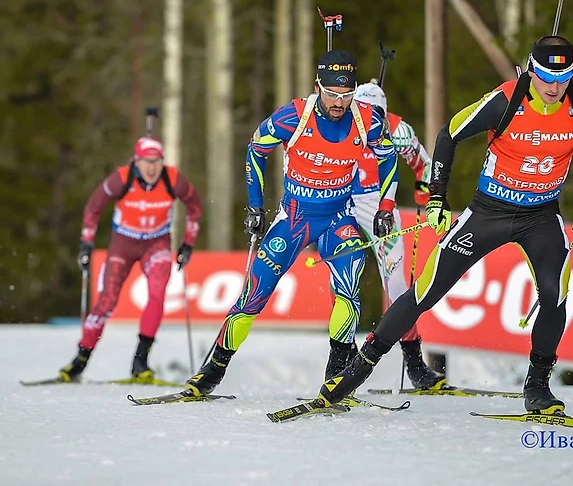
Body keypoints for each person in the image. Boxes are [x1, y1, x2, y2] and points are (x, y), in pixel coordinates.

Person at [316, 35, 573, 414]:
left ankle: (537, 386)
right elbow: (449, 133)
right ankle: (356, 371)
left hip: (541, 215)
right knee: (425, 291)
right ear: (531, 70)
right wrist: (438, 197)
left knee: (555, 294)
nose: (554, 88)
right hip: (489, 211)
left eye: (563, 78)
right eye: (546, 77)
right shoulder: (505, 101)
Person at [184, 50, 398, 396]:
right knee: (254, 293)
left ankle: (338, 375)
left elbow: (389, 160)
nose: (339, 103)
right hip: (294, 218)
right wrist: (255, 206)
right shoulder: (293, 116)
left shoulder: (367, 120)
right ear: (318, 87)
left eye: (346, 95)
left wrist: (385, 207)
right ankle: (214, 369)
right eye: (332, 94)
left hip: (338, 217)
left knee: (351, 281)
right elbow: (256, 148)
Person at [60, 136, 203, 382]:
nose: (151, 168)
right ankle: (80, 359)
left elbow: (195, 206)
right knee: (106, 302)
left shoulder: (172, 178)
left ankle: (140, 361)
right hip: (123, 245)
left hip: (156, 244)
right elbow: (93, 208)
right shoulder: (121, 178)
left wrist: (188, 243)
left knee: (158, 294)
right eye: (146, 161)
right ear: (136, 161)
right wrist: (86, 244)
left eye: (157, 161)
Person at [351, 81, 445, 390]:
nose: (370, 118)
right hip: (344, 204)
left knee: (397, 284)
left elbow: (424, 164)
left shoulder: (397, 128)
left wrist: (424, 187)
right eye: (362, 110)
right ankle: (342, 356)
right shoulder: (341, 124)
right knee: (344, 278)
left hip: (381, 206)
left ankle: (415, 363)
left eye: (376, 111)